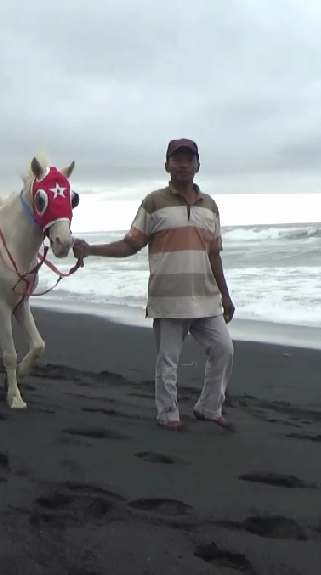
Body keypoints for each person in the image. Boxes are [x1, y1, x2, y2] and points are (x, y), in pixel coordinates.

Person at [72, 139, 236, 432]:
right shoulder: (154, 202)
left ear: (198, 165)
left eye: (189, 159)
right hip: (168, 296)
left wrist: (225, 295)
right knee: (169, 360)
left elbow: (214, 254)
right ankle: (168, 413)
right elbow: (130, 244)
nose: (183, 165)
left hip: (206, 295)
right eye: (177, 159)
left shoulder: (210, 206)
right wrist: (91, 249)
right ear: (167, 165)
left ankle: (209, 408)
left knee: (223, 349)